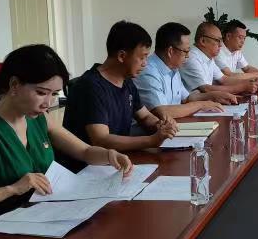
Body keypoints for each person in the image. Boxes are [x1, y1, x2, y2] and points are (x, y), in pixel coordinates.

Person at [0, 45, 132, 226]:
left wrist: (109, 155)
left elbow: (85, 151)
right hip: (3, 231)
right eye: (41, 93)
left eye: (54, 94)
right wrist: (12, 189)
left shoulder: (39, 119)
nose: (48, 103)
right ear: (14, 84)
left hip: (45, 220)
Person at [63, 21, 178, 153]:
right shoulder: (90, 86)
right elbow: (101, 140)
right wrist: (151, 140)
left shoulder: (126, 81)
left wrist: (160, 125)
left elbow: (145, 116)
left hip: (117, 158)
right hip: (90, 163)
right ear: (122, 56)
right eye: (142, 58)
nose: (145, 64)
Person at [135, 22, 237, 119]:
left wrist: (213, 96)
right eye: (186, 51)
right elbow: (162, 112)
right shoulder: (147, 71)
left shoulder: (173, 68)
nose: (188, 56)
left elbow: (187, 98)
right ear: (170, 51)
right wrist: (201, 104)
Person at [180, 22, 258, 95]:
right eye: (217, 40)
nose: (221, 45)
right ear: (203, 41)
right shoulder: (191, 57)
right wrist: (242, 87)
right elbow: (206, 89)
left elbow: (224, 79)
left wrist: (249, 82)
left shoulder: (208, 57)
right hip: (193, 103)